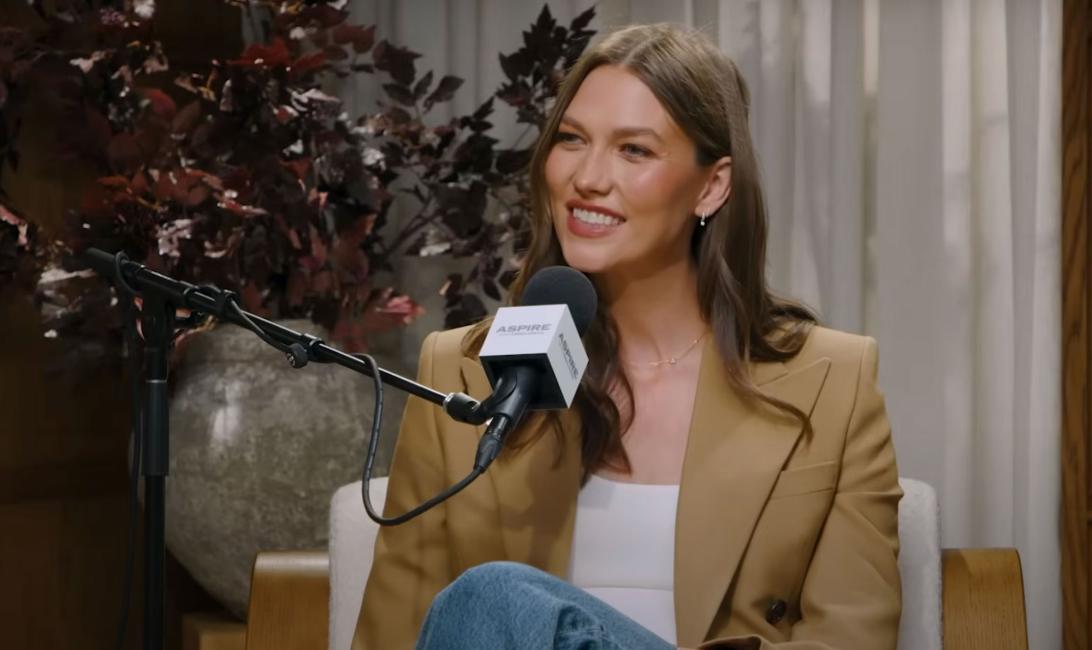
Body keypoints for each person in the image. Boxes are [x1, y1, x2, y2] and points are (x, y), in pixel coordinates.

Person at [353, 22, 901, 650]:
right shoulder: (461, 369)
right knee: (488, 599)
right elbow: (395, 632)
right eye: (571, 139)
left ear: (712, 186)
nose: (587, 177)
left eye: (634, 150)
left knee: (493, 591)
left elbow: (851, 637)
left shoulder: (833, 381)